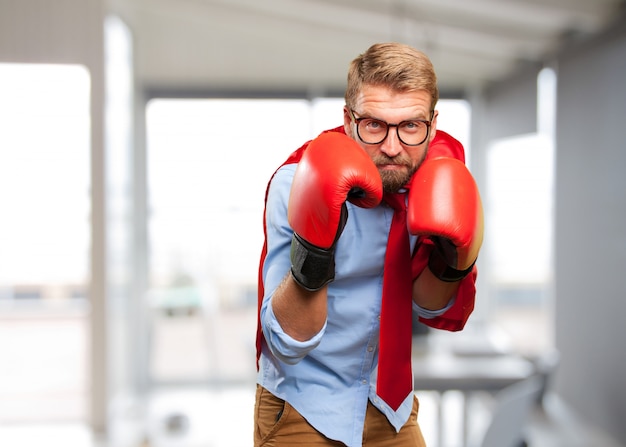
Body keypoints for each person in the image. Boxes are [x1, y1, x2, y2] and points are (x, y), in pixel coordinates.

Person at [254, 42, 484, 447]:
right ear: (348, 120)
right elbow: (286, 345)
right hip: (304, 407)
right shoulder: (295, 184)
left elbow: (427, 305)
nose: (392, 147)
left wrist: (452, 262)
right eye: (374, 125)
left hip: (391, 408)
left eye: (410, 126)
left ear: (432, 123)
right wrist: (314, 251)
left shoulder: (437, 183)